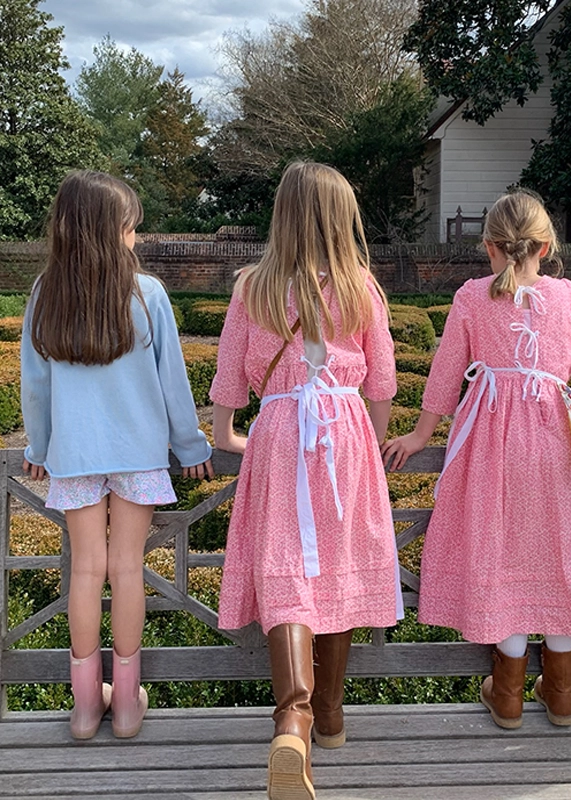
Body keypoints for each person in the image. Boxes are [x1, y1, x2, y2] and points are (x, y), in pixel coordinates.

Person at [382, 191, 571, 731]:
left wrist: (419, 434)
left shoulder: (472, 297)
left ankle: (507, 697)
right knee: (561, 554)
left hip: (492, 443)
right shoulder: (569, 298)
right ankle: (562, 696)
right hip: (557, 445)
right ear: (545, 247)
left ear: (489, 247)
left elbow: (444, 375)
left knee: (502, 554)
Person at [210, 161, 402, 800]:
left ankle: (290, 722)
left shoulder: (253, 287)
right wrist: (369, 438)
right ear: (342, 218)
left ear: (283, 215)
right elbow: (382, 384)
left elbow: (228, 384)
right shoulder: (361, 287)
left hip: (278, 434)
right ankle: (330, 715)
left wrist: (231, 435)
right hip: (344, 435)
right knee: (337, 566)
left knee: (286, 566)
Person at [20, 170, 214, 740]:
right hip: (139, 455)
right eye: (131, 227)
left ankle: (85, 707)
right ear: (109, 229)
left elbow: (36, 385)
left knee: (86, 572)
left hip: (74, 454)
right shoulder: (147, 294)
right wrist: (191, 446)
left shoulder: (45, 292)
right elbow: (173, 381)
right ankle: (126, 705)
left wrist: (39, 448)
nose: (136, 237)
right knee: (128, 570)